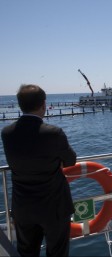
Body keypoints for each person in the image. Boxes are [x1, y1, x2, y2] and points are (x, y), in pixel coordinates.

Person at [1, 84, 77, 257]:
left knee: (27, 252)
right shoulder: (53, 133)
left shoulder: (7, 133)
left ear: (20, 105)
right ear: (43, 104)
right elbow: (71, 160)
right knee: (57, 252)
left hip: (23, 206)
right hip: (54, 206)